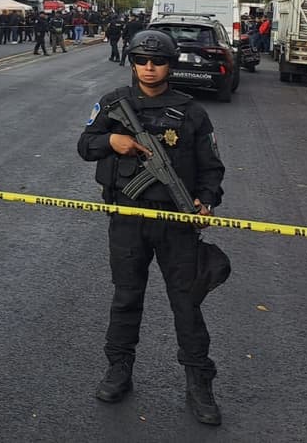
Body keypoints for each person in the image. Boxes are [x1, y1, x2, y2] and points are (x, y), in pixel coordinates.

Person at [77, 29, 226, 426]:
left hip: (175, 223)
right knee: (126, 297)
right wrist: (113, 141)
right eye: (141, 60)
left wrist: (205, 199)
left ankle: (199, 382)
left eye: (157, 62)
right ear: (132, 62)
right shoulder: (114, 103)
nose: (148, 68)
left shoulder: (192, 112)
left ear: (169, 65)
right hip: (127, 217)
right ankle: (119, 368)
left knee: (186, 303)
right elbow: (84, 145)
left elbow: (211, 167)